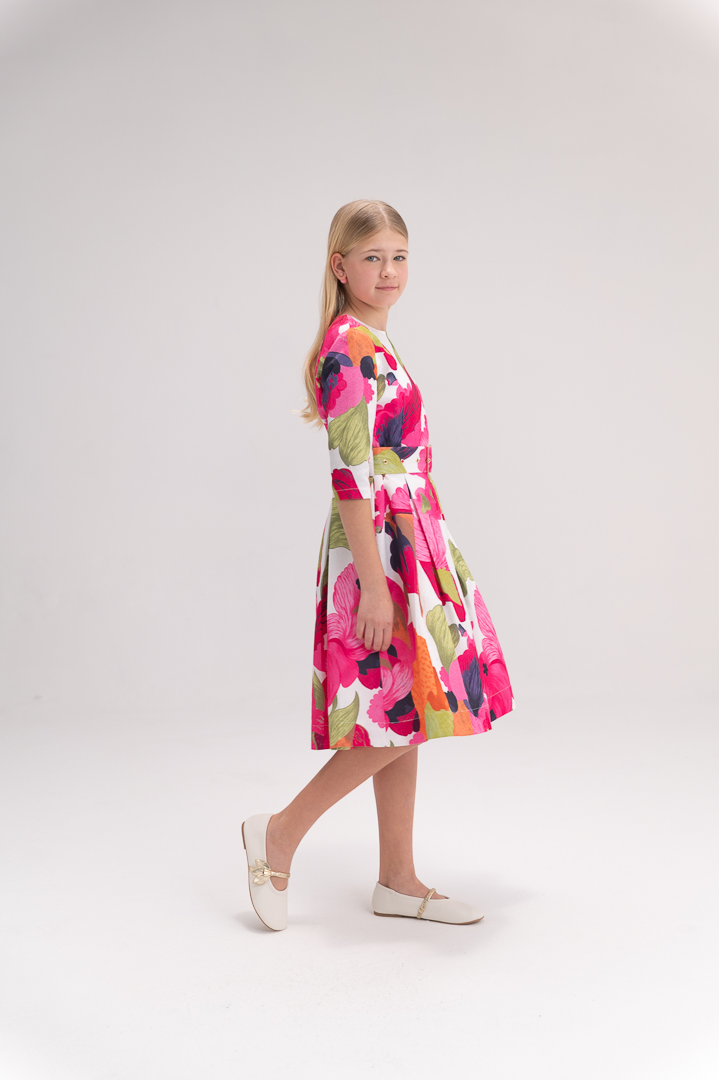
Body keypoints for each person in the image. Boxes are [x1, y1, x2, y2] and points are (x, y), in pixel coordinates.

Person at [242, 199, 514, 931]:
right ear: (340, 267)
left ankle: (397, 878)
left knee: (409, 707)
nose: (388, 271)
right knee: (403, 707)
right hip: (380, 551)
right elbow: (351, 479)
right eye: (372, 258)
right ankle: (280, 833)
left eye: (398, 257)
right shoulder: (346, 348)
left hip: (412, 538)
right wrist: (370, 585)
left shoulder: (373, 340)